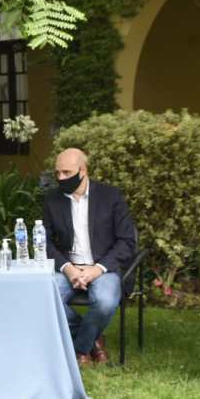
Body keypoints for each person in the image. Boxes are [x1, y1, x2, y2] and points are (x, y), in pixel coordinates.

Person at [44, 148, 136, 366]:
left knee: (105, 302)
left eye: (67, 173)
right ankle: (94, 340)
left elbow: (127, 241)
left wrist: (97, 269)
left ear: (83, 171)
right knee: (43, 298)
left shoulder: (110, 196)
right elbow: (44, 242)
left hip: (103, 268)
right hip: (67, 269)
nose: (60, 178)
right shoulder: (52, 200)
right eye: (57, 173)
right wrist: (67, 268)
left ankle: (79, 348)